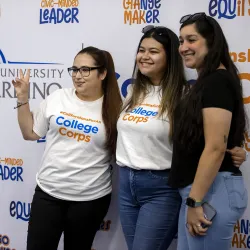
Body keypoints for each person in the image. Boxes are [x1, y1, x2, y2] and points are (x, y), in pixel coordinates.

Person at [116, 25, 247, 250]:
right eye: (141, 50)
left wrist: (233, 150)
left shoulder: (186, 95)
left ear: (171, 57)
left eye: (153, 51)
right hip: (126, 183)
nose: (144, 56)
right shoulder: (132, 92)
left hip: (161, 185)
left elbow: (208, 139)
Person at [12, 46, 122, 250]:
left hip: (89, 200)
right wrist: (22, 98)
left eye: (85, 70)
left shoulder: (115, 108)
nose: (78, 76)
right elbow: (30, 133)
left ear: (103, 73)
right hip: (48, 194)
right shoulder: (58, 97)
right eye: (75, 69)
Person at [168, 13, 248, 250]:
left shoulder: (216, 81)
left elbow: (215, 147)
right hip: (202, 192)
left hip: (209, 193)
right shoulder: (208, 81)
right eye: (181, 41)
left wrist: (195, 201)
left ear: (211, 41)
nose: (183, 47)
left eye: (191, 40)